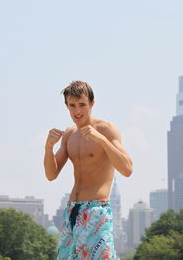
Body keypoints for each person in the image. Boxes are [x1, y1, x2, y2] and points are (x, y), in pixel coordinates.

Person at [44, 81, 133, 259]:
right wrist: (48, 148)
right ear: (66, 106)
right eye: (72, 105)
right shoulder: (69, 135)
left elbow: (127, 169)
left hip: (96, 211)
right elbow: (51, 175)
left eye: (82, 105)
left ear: (92, 103)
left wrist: (101, 140)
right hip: (72, 211)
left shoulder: (107, 130)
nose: (77, 111)